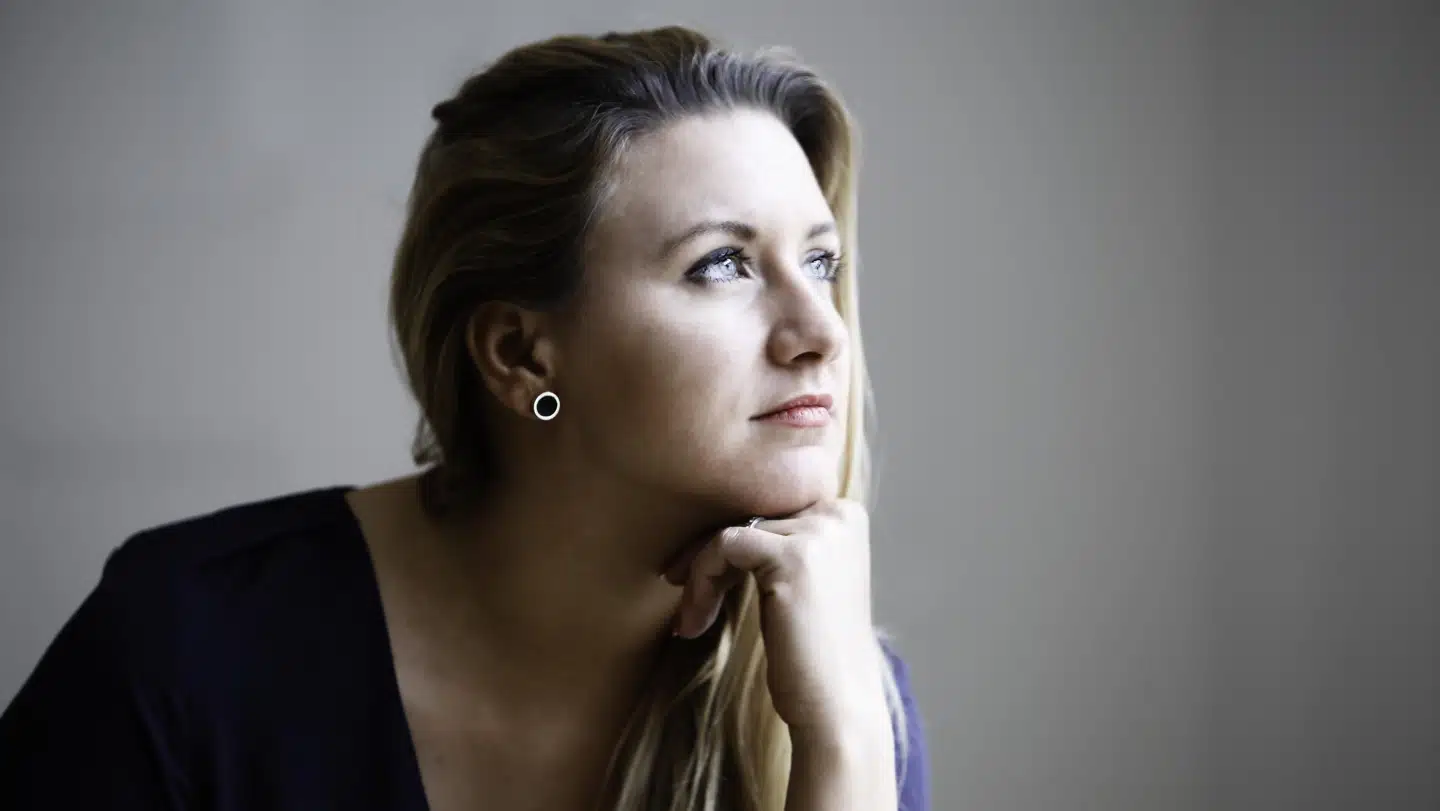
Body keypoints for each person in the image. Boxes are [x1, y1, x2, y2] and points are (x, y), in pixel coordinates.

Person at [0, 25, 929, 811]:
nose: (822, 333)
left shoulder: (837, 692)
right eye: (721, 264)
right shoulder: (187, 643)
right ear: (521, 355)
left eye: (821, 263)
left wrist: (844, 743)